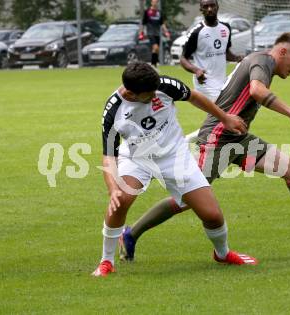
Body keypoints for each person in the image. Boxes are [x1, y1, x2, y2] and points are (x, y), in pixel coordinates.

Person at [119, 32, 290, 262]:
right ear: (282, 52)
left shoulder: (261, 61)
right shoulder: (264, 62)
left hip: (237, 138)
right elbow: (257, 91)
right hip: (218, 138)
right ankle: (130, 234)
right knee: (186, 199)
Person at [92, 62, 257, 277]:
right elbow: (108, 156)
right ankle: (106, 261)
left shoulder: (163, 84)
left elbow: (194, 97)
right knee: (120, 201)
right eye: (149, 95)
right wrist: (113, 189)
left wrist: (225, 118)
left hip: (175, 156)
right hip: (137, 158)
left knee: (213, 215)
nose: (154, 97)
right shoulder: (114, 111)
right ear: (132, 94)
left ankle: (223, 254)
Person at [181, 0, 243, 102]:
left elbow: (225, 52)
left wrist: (236, 58)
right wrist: (196, 70)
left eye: (212, 5)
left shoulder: (226, 28)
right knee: (225, 109)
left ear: (217, 7)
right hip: (204, 82)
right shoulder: (196, 32)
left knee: (224, 114)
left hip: (222, 80)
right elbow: (183, 58)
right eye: (206, 6)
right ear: (201, 9)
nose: (209, 9)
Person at [140, 0, 170, 67]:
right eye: (154, 1)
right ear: (151, 2)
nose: (155, 3)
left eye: (156, 1)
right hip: (150, 33)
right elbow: (143, 23)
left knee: (156, 50)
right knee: (155, 47)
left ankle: (154, 65)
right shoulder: (147, 12)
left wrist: (166, 32)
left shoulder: (159, 12)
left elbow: (162, 24)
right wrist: (141, 33)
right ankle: (153, 64)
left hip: (157, 34)